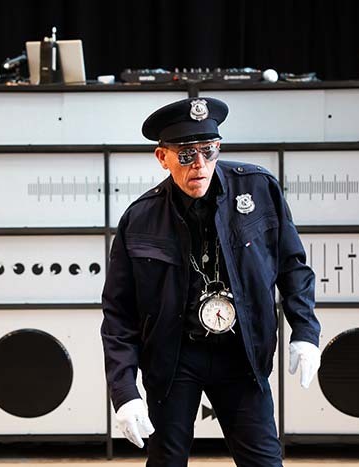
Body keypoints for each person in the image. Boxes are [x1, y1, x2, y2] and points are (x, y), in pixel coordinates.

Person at [100, 97, 321, 466]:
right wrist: (124, 390)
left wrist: (305, 332)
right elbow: (118, 314)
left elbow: (292, 266)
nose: (200, 165)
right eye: (186, 155)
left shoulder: (258, 189)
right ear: (162, 157)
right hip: (174, 359)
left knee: (264, 462)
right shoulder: (138, 219)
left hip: (242, 352)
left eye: (209, 150)